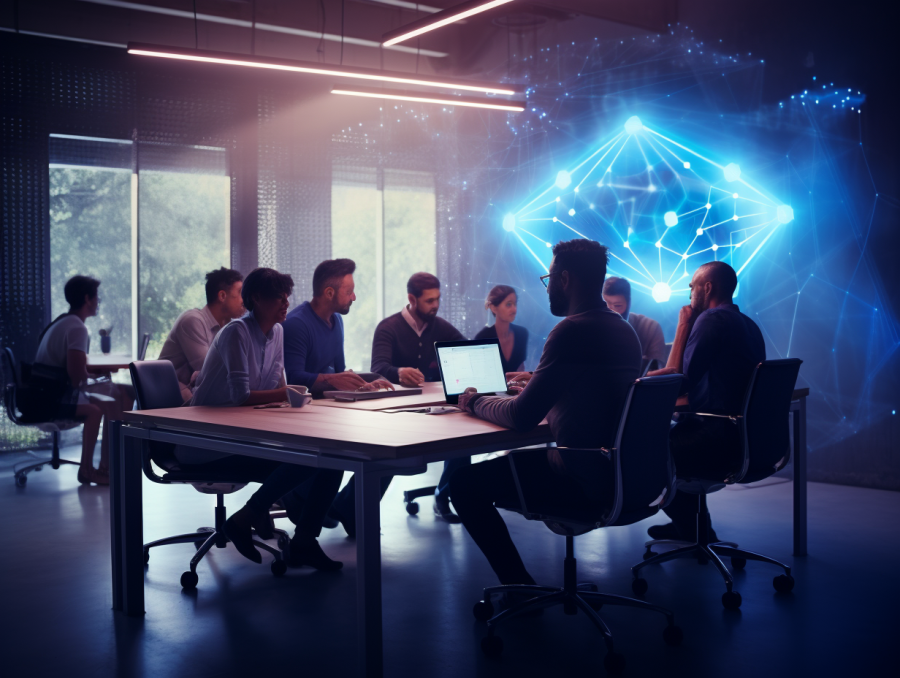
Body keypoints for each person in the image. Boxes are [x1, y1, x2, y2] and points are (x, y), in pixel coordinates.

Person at [450, 239, 642, 587]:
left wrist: (475, 401)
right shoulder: (622, 329)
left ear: (564, 279)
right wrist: (542, 382)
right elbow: (591, 389)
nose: (548, 286)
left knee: (462, 484)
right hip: (626, 474)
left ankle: (519, 587)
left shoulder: (571, 330)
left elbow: (522, 418)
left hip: (582, 478)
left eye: (548, 278)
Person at [180, 267, 344, 571]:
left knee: (331, 460)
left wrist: (287, 395)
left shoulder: (278, 331)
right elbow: (243, 395)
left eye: (286, 297)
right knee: (307, 459)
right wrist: (287, 393)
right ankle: (247, 517)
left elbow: (273, 387)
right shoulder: (236, 332)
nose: (285, 303)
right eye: (278, 297)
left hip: (241, 434)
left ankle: (304, 541)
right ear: (256, 298)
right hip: (208, 441)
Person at [646, 261, 765, 541]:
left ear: (707, 287)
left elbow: (677, 382)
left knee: (645, 453)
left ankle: (693, 529)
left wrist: (684, 324)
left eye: (691, 288)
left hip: (716, 439)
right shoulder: (748, 324)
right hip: (745, 438)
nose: (689, 295)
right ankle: (693, 526)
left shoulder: (710, 320)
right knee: (676, 437)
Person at [366, 272, 468, 524]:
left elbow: (465, 350)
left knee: (464, 437)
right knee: (385, 456)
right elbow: (377, 368)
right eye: (429, 301)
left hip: (430, 405)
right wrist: (398, 372)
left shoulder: (439, 326)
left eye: (438, 299)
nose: (435, 306)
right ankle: (350, 508)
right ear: (412, 298)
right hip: (397, 409)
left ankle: (444, 496)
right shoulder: (388, 327)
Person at [30, 275, 135, 486]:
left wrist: (97, 376)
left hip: (45, 392)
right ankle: (95, 469)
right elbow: (78, 378)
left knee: (123, 392)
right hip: (54, 397)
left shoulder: (63, 321)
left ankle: (108, 466)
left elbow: (74, 371)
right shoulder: (78, 328)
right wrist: (99, 378)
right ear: (87, 299)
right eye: (97, 297)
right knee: (114, 398)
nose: (98, 302)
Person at [282, 258, 391, 394]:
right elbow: (293, 379)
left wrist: (366, 385)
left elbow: (339, 373)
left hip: (331, 405)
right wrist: (333, 380)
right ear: (329, 293)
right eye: (348, 292)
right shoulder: (296, 324)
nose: (354, 297)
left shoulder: (337, 319)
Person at [157, 267, 245, 402]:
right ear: (222, 296)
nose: (244, 300)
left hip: (198, 393)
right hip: (171, 393)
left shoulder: (231, 326)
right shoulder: (192, 320)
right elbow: (210, 372)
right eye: (240, 293)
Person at [603, 276, 668, 368]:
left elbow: (657, 371)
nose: (610, 312)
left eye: (617, 306)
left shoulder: (650, 328)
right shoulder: (590, 329)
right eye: (604, 306)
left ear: (629, 303)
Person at [474, 285, 529, 375]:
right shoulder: (482, 338)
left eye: (515, 304)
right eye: (508, 304)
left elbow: (521, 370)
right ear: (493, 308)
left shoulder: (522, 334)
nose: (514, 309)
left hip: (517, 387)